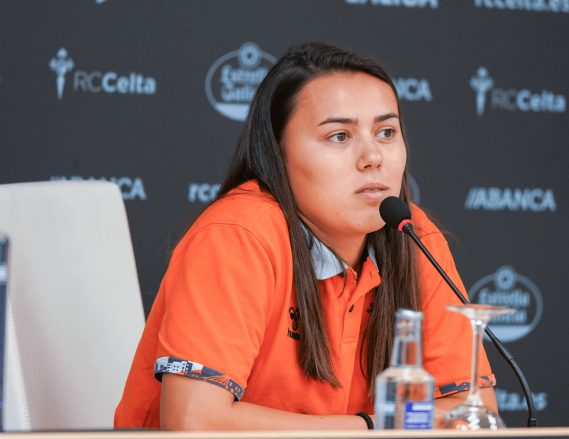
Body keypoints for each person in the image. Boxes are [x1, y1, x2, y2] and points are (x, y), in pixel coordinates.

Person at [114, 42, 497, 431]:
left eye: (386, 132)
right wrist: (375, 427)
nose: (373, 157)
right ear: (278, 153)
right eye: (339, 137)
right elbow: (195, 423)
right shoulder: (238, 235)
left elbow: (474, 413)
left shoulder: (415, 236)